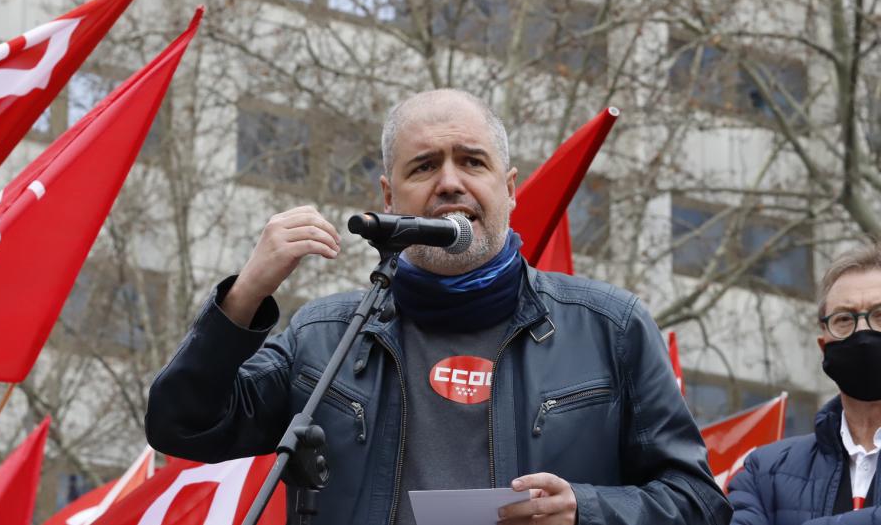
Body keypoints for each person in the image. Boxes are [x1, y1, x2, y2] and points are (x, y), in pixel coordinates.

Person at [145, 89, 730, 525]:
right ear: (388, 197)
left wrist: (588, 510)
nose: (449, 183)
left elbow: (700, 502)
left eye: (472, 162)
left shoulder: (611, 327)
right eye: (424, 166)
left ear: (510, 187)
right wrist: (245, 294)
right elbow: (184, 426)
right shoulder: (325, 336)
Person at [729, 243, 881, 525]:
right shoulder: (765, 471)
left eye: (880, 315)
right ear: (823, 347)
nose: (862, 331)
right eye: (844, 319)